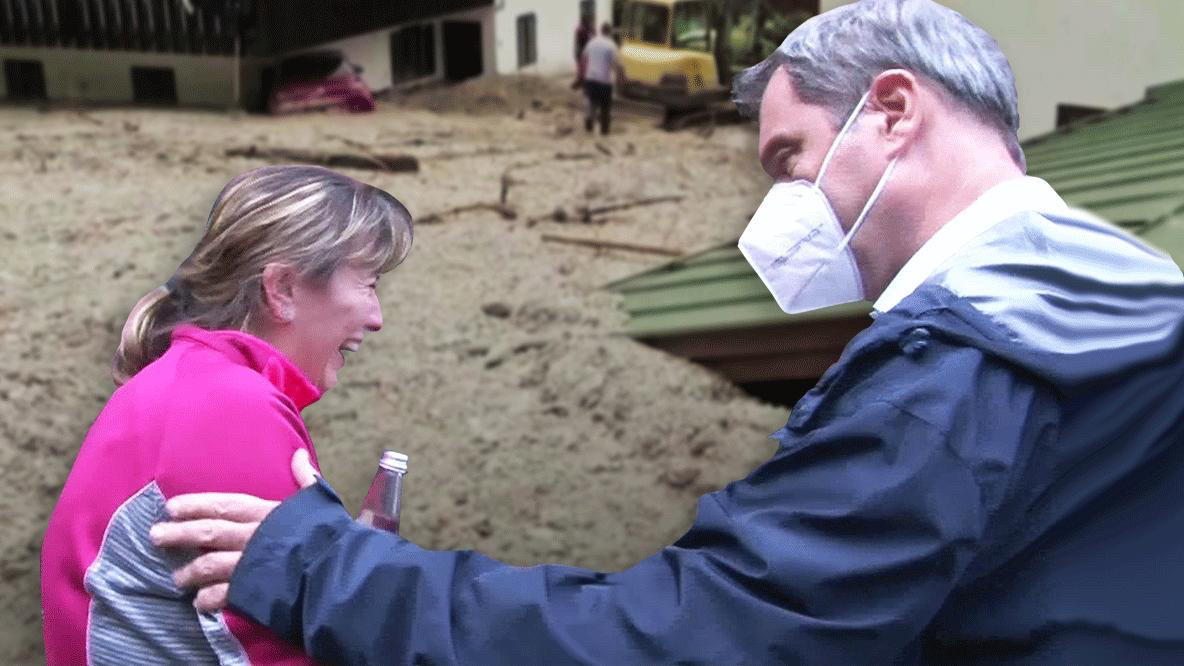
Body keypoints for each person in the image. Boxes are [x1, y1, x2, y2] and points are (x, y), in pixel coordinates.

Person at [151, 0, 1184, 662]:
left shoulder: (953, 376)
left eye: (787, 160)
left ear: (893, 111)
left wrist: (326, 570)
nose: (780, 201)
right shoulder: (1133, 293)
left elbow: (695, 636)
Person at [40, 165, 413, 664]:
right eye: (368, 285)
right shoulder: (230, 412)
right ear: (282, 288)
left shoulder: (188, 383)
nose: (377, 318)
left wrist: (348, 567)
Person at [581, 22, 622, 135]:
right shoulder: (611, 45)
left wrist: (582, 76)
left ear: (601, 30)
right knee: (605, 107)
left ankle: (589, 127)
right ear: (610, 32)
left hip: (590, 79)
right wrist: (620, 78)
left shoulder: (592, 42)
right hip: (604, 81)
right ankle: (604, 132)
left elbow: (584, 58)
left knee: (592, 103)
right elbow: (617, 64)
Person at [571, 13, 595, 89]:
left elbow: (593, 39)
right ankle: (581, 81)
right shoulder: (581, 30)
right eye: (588, 21)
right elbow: (578, 41)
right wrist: (577, 52)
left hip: (587, 51)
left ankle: (582, 81)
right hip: (582, 50)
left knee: (584, 68)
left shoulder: (590, 29)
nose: (590, 22)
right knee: (582, 68)